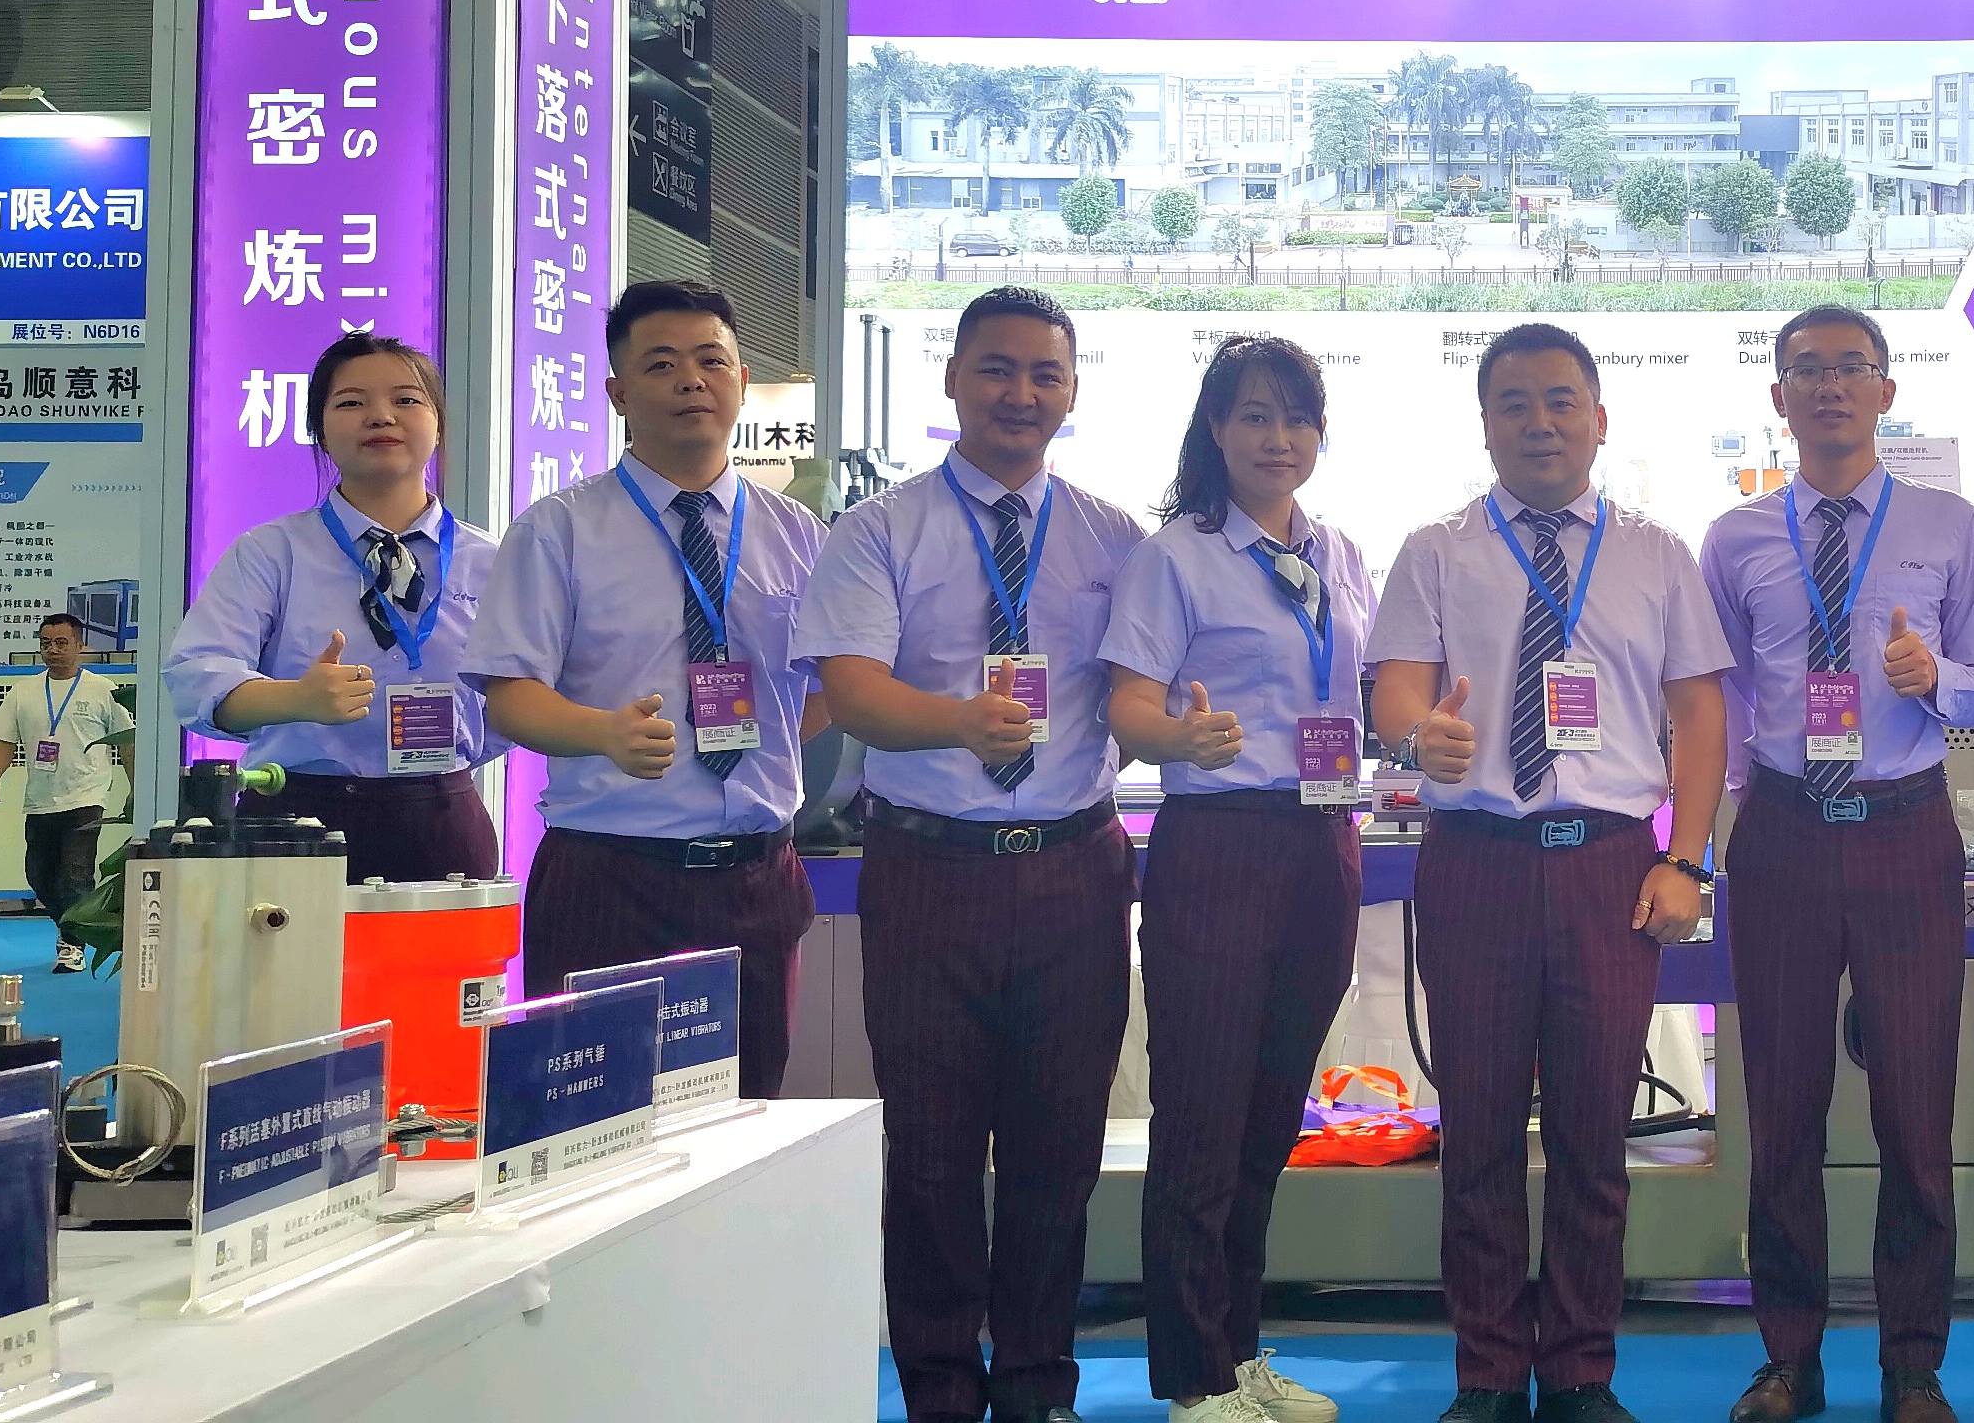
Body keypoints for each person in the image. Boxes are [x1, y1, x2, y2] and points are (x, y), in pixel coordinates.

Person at [1370, 321, 1735, 1423]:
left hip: (1610, 869)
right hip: (1476, 861)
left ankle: (1579, 1369)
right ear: (1485, 424)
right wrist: (1417, 735)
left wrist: (1686, 858)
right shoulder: (1436, 550)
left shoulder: (1656, 553)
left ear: (1599, 418)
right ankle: (1487, 1372)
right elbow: (1395, 690)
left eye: (1561, 400)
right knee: (1478, 1133)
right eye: (1515, 403)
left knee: (1592, 1134)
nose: (1540, 422)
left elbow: (1698, 714)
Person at [796, 286, 1148, 1423]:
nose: (1020, 393)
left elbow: (1140, 690)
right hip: (929, 869)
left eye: (1045, 374)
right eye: (997, 369)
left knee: (1059, 1147)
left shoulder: (1115, 536)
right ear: (953, 380)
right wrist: (960, 721)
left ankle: (1040, 1386)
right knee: (933, 1150)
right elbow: (852, 691)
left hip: (1075, 869)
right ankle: (942, 1388)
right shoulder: (880, 529)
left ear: (1073, 392)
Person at [1701, 307, 1974, 1423]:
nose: (1830, 387)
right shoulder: (1734, 536)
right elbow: (1725, 692)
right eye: (1807, 371)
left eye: (1851, 369)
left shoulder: (1949, 523)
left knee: (1916, 1114)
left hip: (1903, 828)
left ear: (1886, 389)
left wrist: (1934, 678)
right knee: (1782, 1111)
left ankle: (1912, 1362)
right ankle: (1789, 1356)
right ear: (1778, 396)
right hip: (1781, 831)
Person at [459, 279, 823, 1096]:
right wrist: (603, 734)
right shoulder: (559, 529)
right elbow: (509, 695)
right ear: (619, 393)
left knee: (745, 1127)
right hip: (611, 878)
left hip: (757, 880)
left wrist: (759, 741)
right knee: (593, 1126)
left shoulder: (798, 534)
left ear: (740, 381)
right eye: (661, 365)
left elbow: (829, 684)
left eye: (711, 361)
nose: (691, 380)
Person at [1101, 334, 1363, 1423]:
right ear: (1216, 429)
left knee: (1266, 1120)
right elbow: (1127, 705)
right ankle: (1193, 1376)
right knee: (1201, 1120)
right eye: (1254, 415)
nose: (1277, 437)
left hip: (1322, 843)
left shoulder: (1338, 550)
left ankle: (1240, 1351)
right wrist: (1180, 738)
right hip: (1217, 843)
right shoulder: (1177, 554)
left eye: (1296, 417)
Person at [169, 332, 506, 883]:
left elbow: (519, 695)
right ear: (320, 431)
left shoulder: (491, 561)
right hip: (294, 817)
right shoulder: (272, 552)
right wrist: (295, 699)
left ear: (439, 424)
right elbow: (196, 676)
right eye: (351, 402)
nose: (381, 417)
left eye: (406, 399)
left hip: (443, 818)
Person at [0, 611, 132, 972]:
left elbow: (127, 742)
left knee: (74, 875)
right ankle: (76, 926)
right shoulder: (23, 692)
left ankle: (72, 945)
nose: (53, 650)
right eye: (46, 643)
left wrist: (136, 788)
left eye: (62, 643)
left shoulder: (103, 690)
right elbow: (5, 740)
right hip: (39, 800)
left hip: (86, 797)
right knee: (39, 875)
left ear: (80, 646)